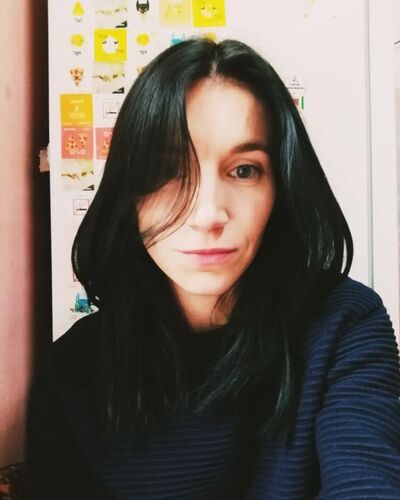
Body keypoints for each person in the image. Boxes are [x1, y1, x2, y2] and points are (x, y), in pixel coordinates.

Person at [26, 38, 400, 499]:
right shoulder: (72, 374)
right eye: (167, 170)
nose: (207, 215)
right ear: (129, 194)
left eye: (244, 170)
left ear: (280, 188)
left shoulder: (343, 323)